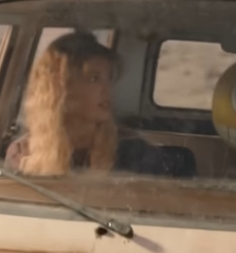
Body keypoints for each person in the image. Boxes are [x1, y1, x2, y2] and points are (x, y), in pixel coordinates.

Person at [4, 30, 176, 177]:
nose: (106, 89)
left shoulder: (134, 152)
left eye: (109, 79)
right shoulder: (22, 152)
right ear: (61, 90)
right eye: (94, 79)